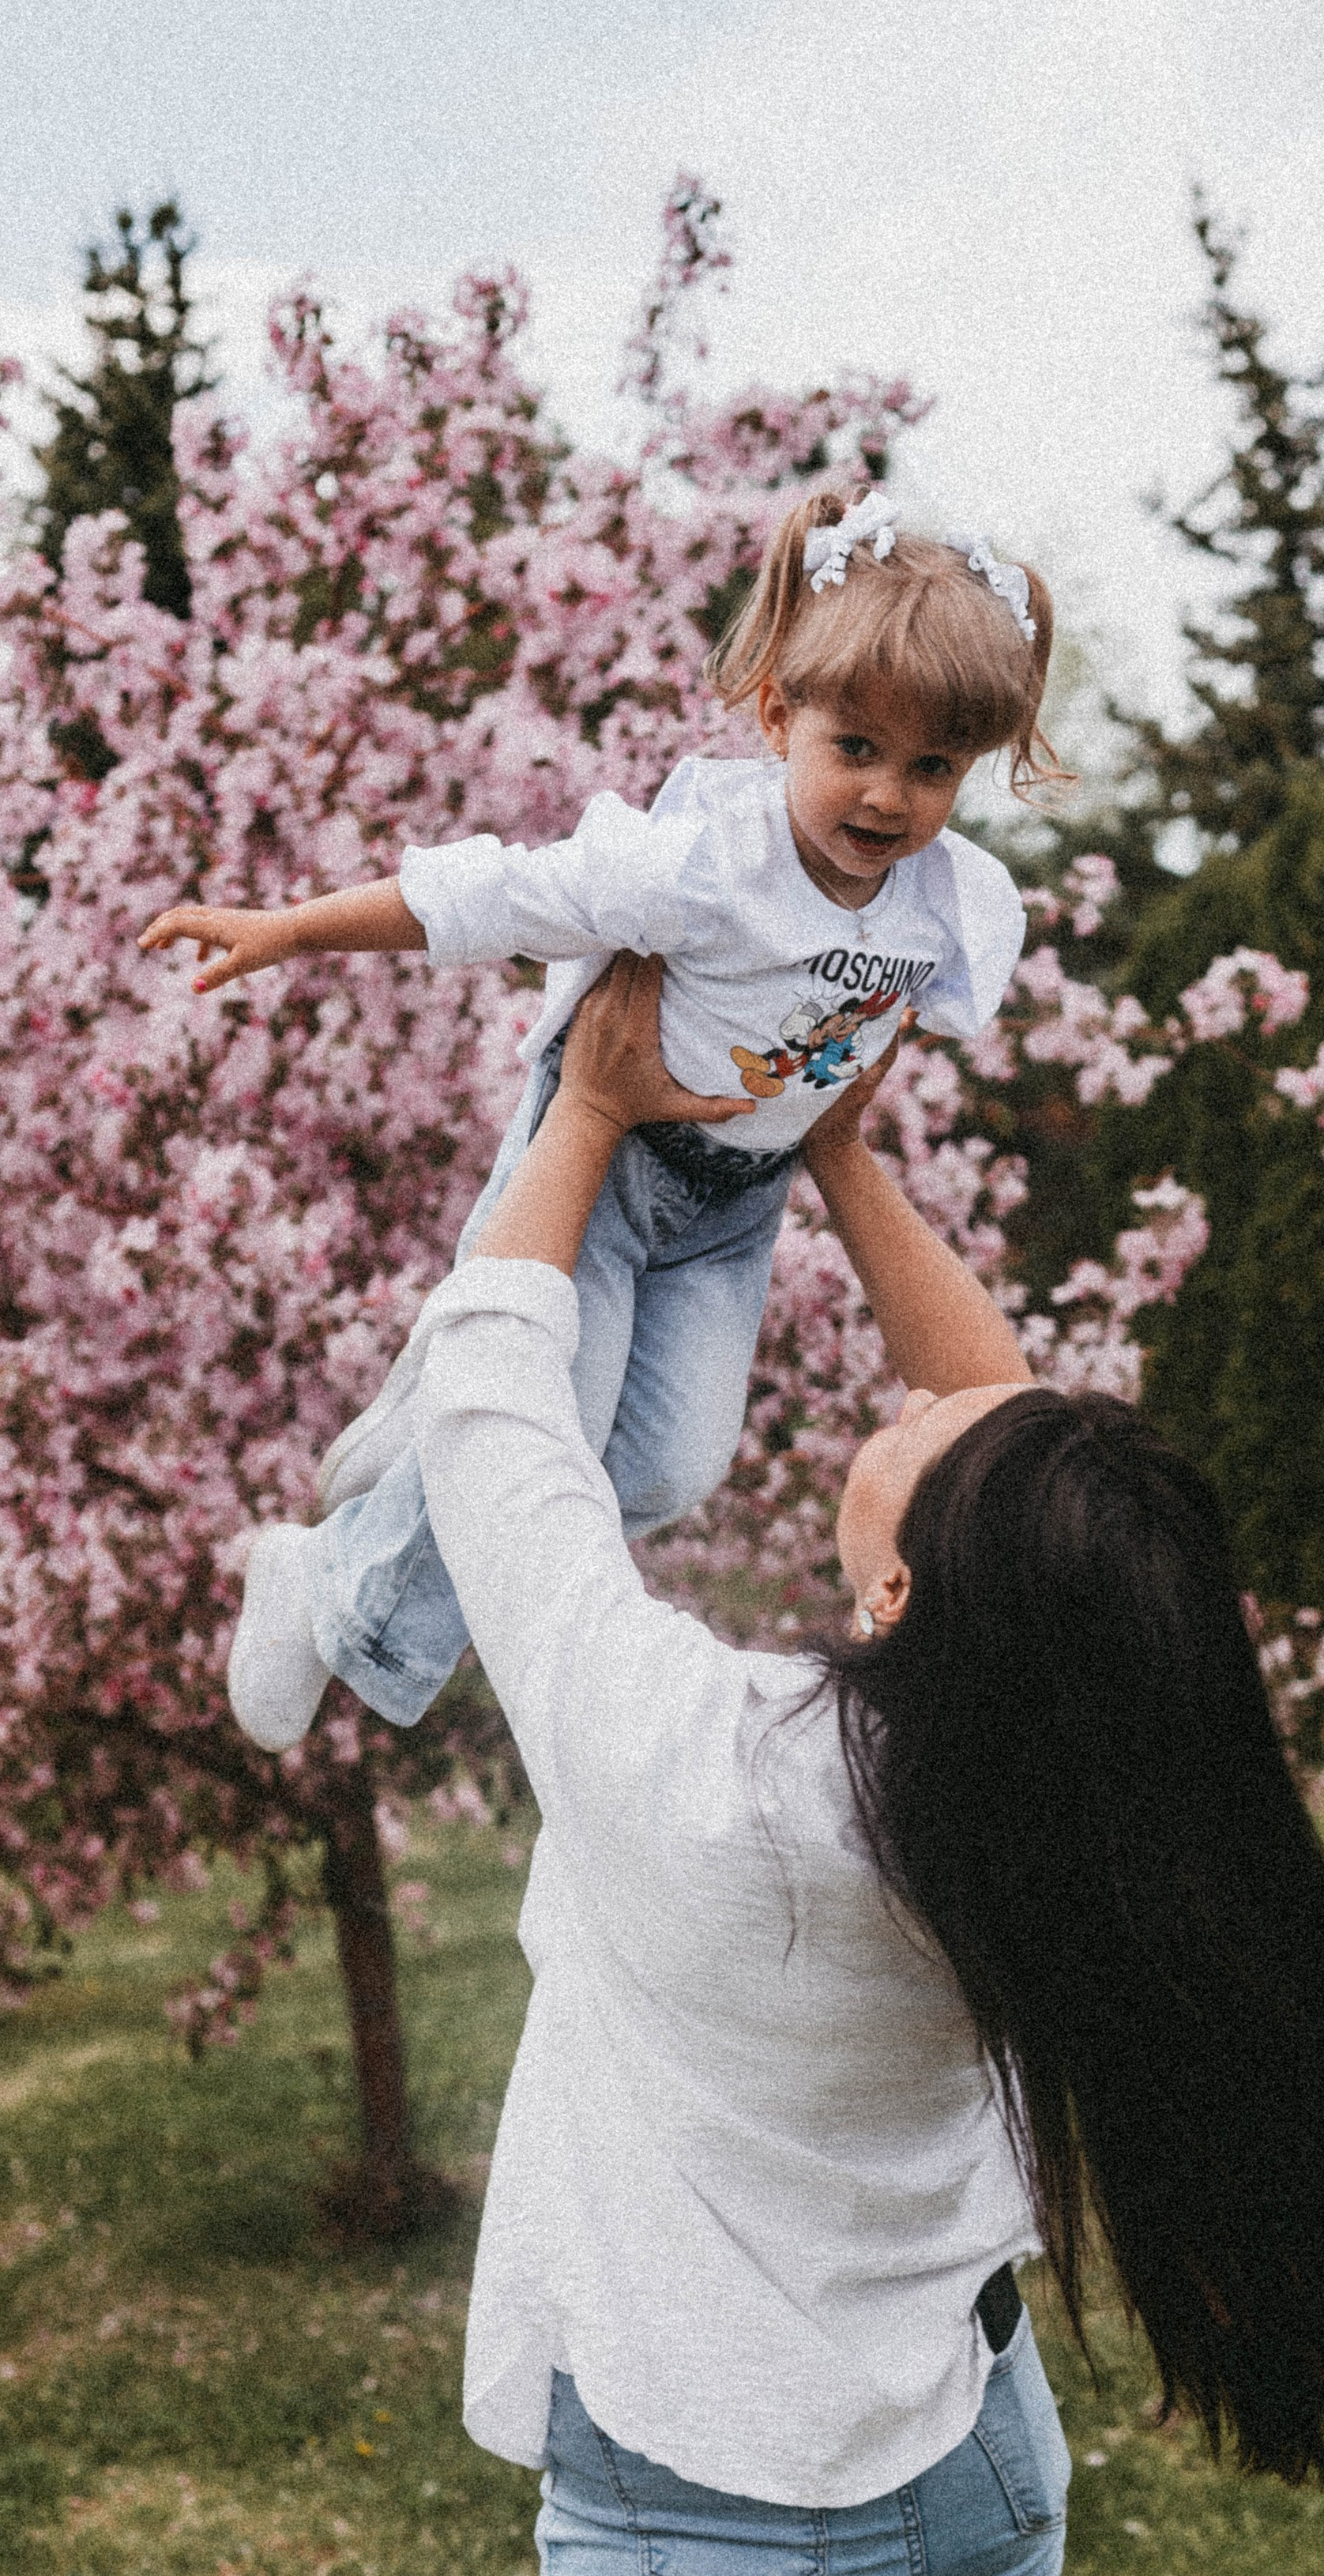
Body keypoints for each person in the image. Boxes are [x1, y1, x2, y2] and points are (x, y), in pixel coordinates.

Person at [392, 947, 1324, 2576]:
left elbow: (492, 1431)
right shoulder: (1097, 1792)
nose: (949, 1411)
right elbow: (1032, 1484)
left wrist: (589, 1112)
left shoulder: (716, 1788)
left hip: (708, 2517)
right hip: (966, 2454)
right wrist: (846, 1159)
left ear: (904, 1596)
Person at [136, 488, 1050, 1752]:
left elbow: (878, 1039)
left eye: (932, 768)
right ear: (782, 717)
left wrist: (828, 1111)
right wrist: (290, 930)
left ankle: (416, 1461)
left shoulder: (949, 908)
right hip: (608, 1160)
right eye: (856, 749)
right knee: (545, 1420)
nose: (888, 798)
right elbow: (502, 895)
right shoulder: (699, 862)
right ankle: (332, 1586)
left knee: (670, 1471)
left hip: (739, 1199)